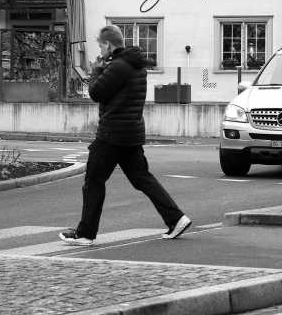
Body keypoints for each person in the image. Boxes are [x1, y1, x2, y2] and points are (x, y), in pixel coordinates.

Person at [59, 25, 191, 246]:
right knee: (142, 179)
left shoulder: (119, 66)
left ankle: (85, 234)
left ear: (108, 44)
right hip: (132, 132)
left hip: (112, 133)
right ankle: (176, 218)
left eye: (100, 46)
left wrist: (96, 69)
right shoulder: (136, 66)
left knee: (93, 182)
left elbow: (95, 93)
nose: (100, 51)